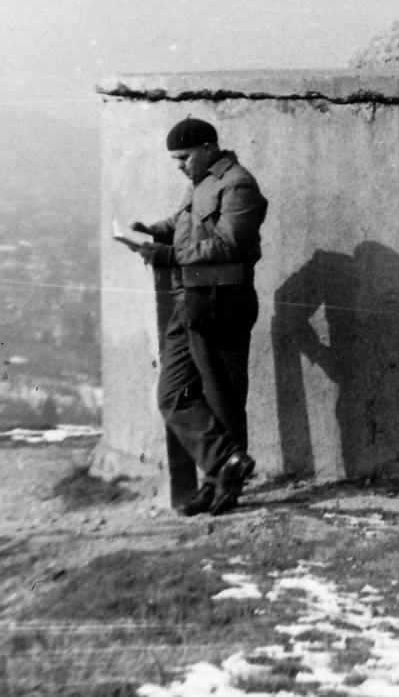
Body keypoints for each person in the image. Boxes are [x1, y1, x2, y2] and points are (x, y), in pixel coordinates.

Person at [113, 117, 267, 516]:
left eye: (183, 157)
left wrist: (170, 257)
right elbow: (185, 224)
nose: (179, 165)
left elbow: (230, 243)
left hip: (222, 300)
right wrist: (152, 231)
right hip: (191, 299)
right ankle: (225, 462)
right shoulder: (200, 182)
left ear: (208, 148)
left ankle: (221, 487)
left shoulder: (238, 184)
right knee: (172, 393)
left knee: (222, 398)